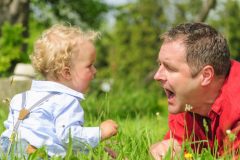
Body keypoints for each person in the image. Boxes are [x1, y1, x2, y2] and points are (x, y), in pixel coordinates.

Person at [0, 25, 118, 158]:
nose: (95, 71)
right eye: (89, 65)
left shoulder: (20, 97)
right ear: (67, 72)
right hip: (37, 154)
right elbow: (69, 137)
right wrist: (100, 132)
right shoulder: (66, 101)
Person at [150, 22, 240, 159]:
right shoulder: (188, 101)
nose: (157, 76)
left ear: (206, 75)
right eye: (160, 64)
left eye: (170, 68)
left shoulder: (236, 107)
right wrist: (161, 149)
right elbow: (177, 145)